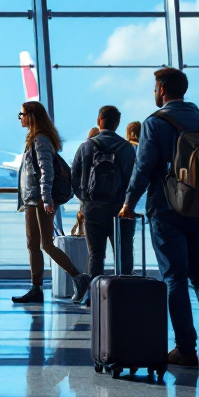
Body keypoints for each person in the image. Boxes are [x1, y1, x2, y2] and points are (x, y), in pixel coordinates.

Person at [119, 67, 199, 369]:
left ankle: (186, 349)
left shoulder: (155, 123)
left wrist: (129, 203)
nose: (153, 93)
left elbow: (143, 168)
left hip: (166, 209)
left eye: (155, 88)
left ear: (163, 89)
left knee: (174, 279)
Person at [12, 101, 89, 306]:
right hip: (34, 199)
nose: (20, 118)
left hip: (38, 199)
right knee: (34, 244)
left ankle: (78, 277)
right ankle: (37, 287)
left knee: (44, 243)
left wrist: (46, 198)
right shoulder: (38, 139)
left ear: (31, 116)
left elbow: (47, 171)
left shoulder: (40, 140)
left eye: (22, 114)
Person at [69, 106, 137, 303]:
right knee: (123, 254)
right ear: (117, 122)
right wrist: (127, 202)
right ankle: (124, 295)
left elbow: (74, 177)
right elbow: (134, 179)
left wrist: (85, 200)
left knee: (96, 255)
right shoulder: (126, 148)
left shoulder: (86, 147)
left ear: (99, 120)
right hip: (120, 210)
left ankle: (95, 295)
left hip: (93, 210)